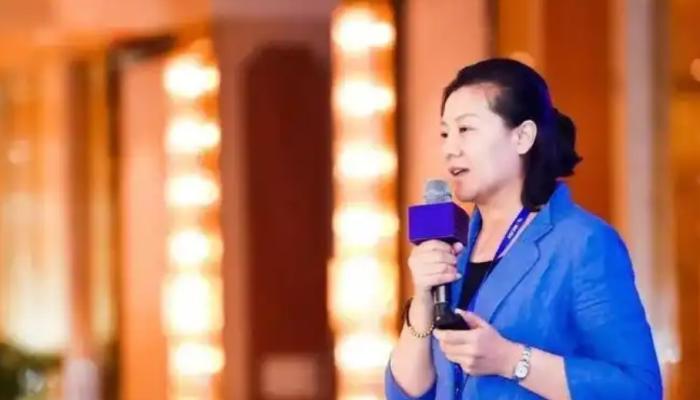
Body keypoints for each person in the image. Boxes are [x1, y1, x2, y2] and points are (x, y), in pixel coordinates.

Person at [385, 58, 662, 399]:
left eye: (466, 129)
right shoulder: (452, 247)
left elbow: (638, 389)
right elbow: (407, 393)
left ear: (522, 137)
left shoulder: (583, 243)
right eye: (445, 133)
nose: (450, 148)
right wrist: (423, 298)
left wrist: (510, 360)